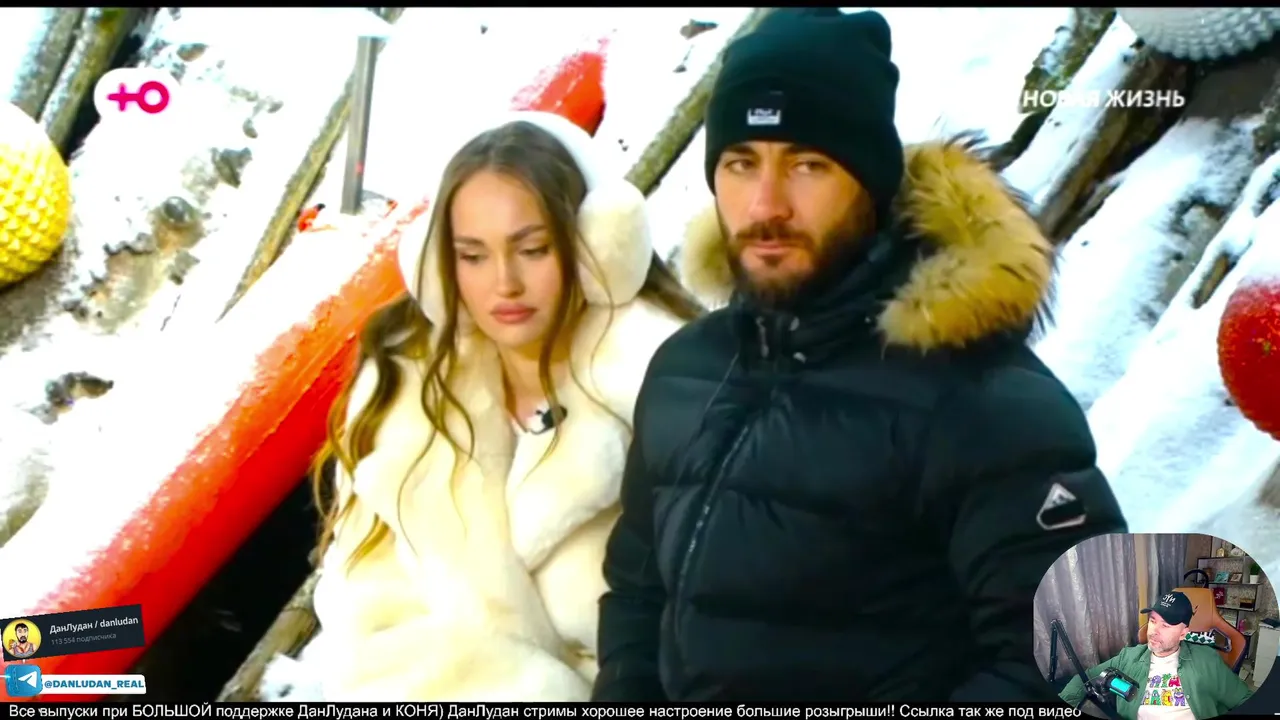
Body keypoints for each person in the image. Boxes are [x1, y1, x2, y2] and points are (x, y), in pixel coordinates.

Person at [593, 8, 1128, 703]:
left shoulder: (985, 402)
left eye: (807, 165)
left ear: (870, 183)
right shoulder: (687, 369)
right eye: (741, 163)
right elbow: (638, 594)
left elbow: (1082, 666)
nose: (766, 204)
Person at [300, 111, 701, 701]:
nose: (504, 282)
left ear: (591, 245)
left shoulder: (671, 389)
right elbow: (362, 605)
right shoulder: (406, 398)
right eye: (472, 256)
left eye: (532, 249)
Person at [1059, 591, 1252, 718]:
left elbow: (1243, 699)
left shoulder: (1207, 660)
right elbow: (1083, 679)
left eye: (1165, 625)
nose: (1154, 631)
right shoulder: (1128, 657)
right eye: (1152, 621)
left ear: (1183, 633)